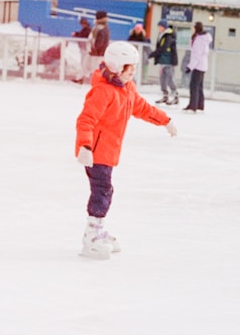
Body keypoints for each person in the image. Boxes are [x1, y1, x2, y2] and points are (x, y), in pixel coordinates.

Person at [74, 41, 178, 259]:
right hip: (96, 153)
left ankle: (98, 230)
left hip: (109, 153)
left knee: (105, 191)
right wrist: (85, 146)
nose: (132, 74)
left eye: (133, 70)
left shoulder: (127, 90)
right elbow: (86, 120)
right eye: (129, 69)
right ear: (116, 67)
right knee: (102, 191)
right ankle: (91, 236)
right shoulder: (103, 91)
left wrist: (165, 120)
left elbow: (143, 108)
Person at [184, 21, 213, 112]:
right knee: (199, 86)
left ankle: (193, 105)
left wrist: (190, 67)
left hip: (198, 65)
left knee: (194, 86)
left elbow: (197, 55)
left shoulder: (199, 39)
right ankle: (200, 104)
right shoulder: (203, 38)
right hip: (202, 65)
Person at [148, 19, 179, 105]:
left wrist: (153, 54)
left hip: (168, 61)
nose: (159, 28)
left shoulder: (168, 36)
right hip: (163, 60)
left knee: (170, 79)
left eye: (160, 26)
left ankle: (175, 96)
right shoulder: (162, 35)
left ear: (164, 27)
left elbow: (163, 48)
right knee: (162, 79)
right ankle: (165, 95)